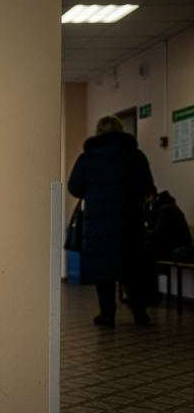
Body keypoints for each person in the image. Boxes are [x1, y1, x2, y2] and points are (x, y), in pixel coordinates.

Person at [68, 115, 155, 327]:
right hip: (130, 223)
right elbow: (148, 187)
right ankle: (139, 313)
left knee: (102, 268)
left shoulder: (86, 159)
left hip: (98, 225)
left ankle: (107, 314)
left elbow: (74, 188)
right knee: (133, 268)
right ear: (121, 130)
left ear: (98, 132)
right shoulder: (137, 156)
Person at [144, 188, 192, 305]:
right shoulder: (161, 208)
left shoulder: (165, 209)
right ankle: (145, 294)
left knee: (143, 251)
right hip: (169, 246)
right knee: (142, 249)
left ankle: (149, 294)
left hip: (176, 249)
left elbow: (158, 233)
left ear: (150, 197)